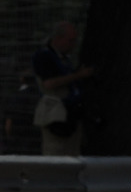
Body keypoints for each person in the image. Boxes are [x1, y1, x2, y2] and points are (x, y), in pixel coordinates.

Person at [32, 21, 94, 156]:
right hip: (55, 113)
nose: (72, 45)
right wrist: (77, 76)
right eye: (70, 41)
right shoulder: (44, 56)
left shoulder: (64, 58)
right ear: (58, 38)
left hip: (70, 113)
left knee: (73, 153)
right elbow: (48, 83)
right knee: (55, 154)